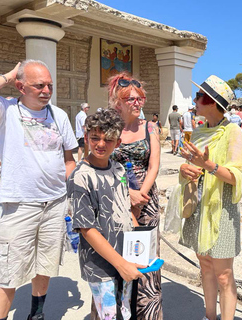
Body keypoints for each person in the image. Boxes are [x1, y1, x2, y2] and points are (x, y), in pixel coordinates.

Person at [0, 60, 78, 320]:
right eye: (39, 85)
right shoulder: (6, 111)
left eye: (49, 85)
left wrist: (71, 185)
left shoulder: (58, 115)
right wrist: (8, 75)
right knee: (8, 269)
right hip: (19, 204)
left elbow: (69, 159)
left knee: (46, 263)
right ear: (21, 86)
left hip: (55, 204)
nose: (46, 90)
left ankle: (36, 315)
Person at [179, 75, 242, 320]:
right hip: (199, 207)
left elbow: (237, 175)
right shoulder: (197, 133)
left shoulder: (233, 132)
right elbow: (189, 168)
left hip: (222, 210)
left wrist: (209, 165)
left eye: (199, 96)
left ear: (211, 102)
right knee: (205, 266)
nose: (195, 100)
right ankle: (210, 316)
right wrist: (184, 170)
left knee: (224, 275)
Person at [68, 109, 144, 320]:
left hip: (126, 255)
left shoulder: (119, 169)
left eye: (108, 139)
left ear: (117, 142)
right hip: (100, 263)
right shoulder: (80, 177)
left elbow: (125, 210)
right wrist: (120, 264)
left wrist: (140, 245)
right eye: (95, 138)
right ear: (86, 138)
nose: (101, 144)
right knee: (108, 313)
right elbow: (86, 228)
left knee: (125, 311)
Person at [107, 73, 162, 320]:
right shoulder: (108, 128)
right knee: (115, 259)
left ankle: (147, 314)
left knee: (145, 259)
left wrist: (140, 195)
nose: (138, 103)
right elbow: (101, 165)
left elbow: (154, 165)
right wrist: (126, 194)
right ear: (117, 101)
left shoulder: (150, 127)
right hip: (115, 200)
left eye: (141, 98)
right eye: (131, 99)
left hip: (146, 201)